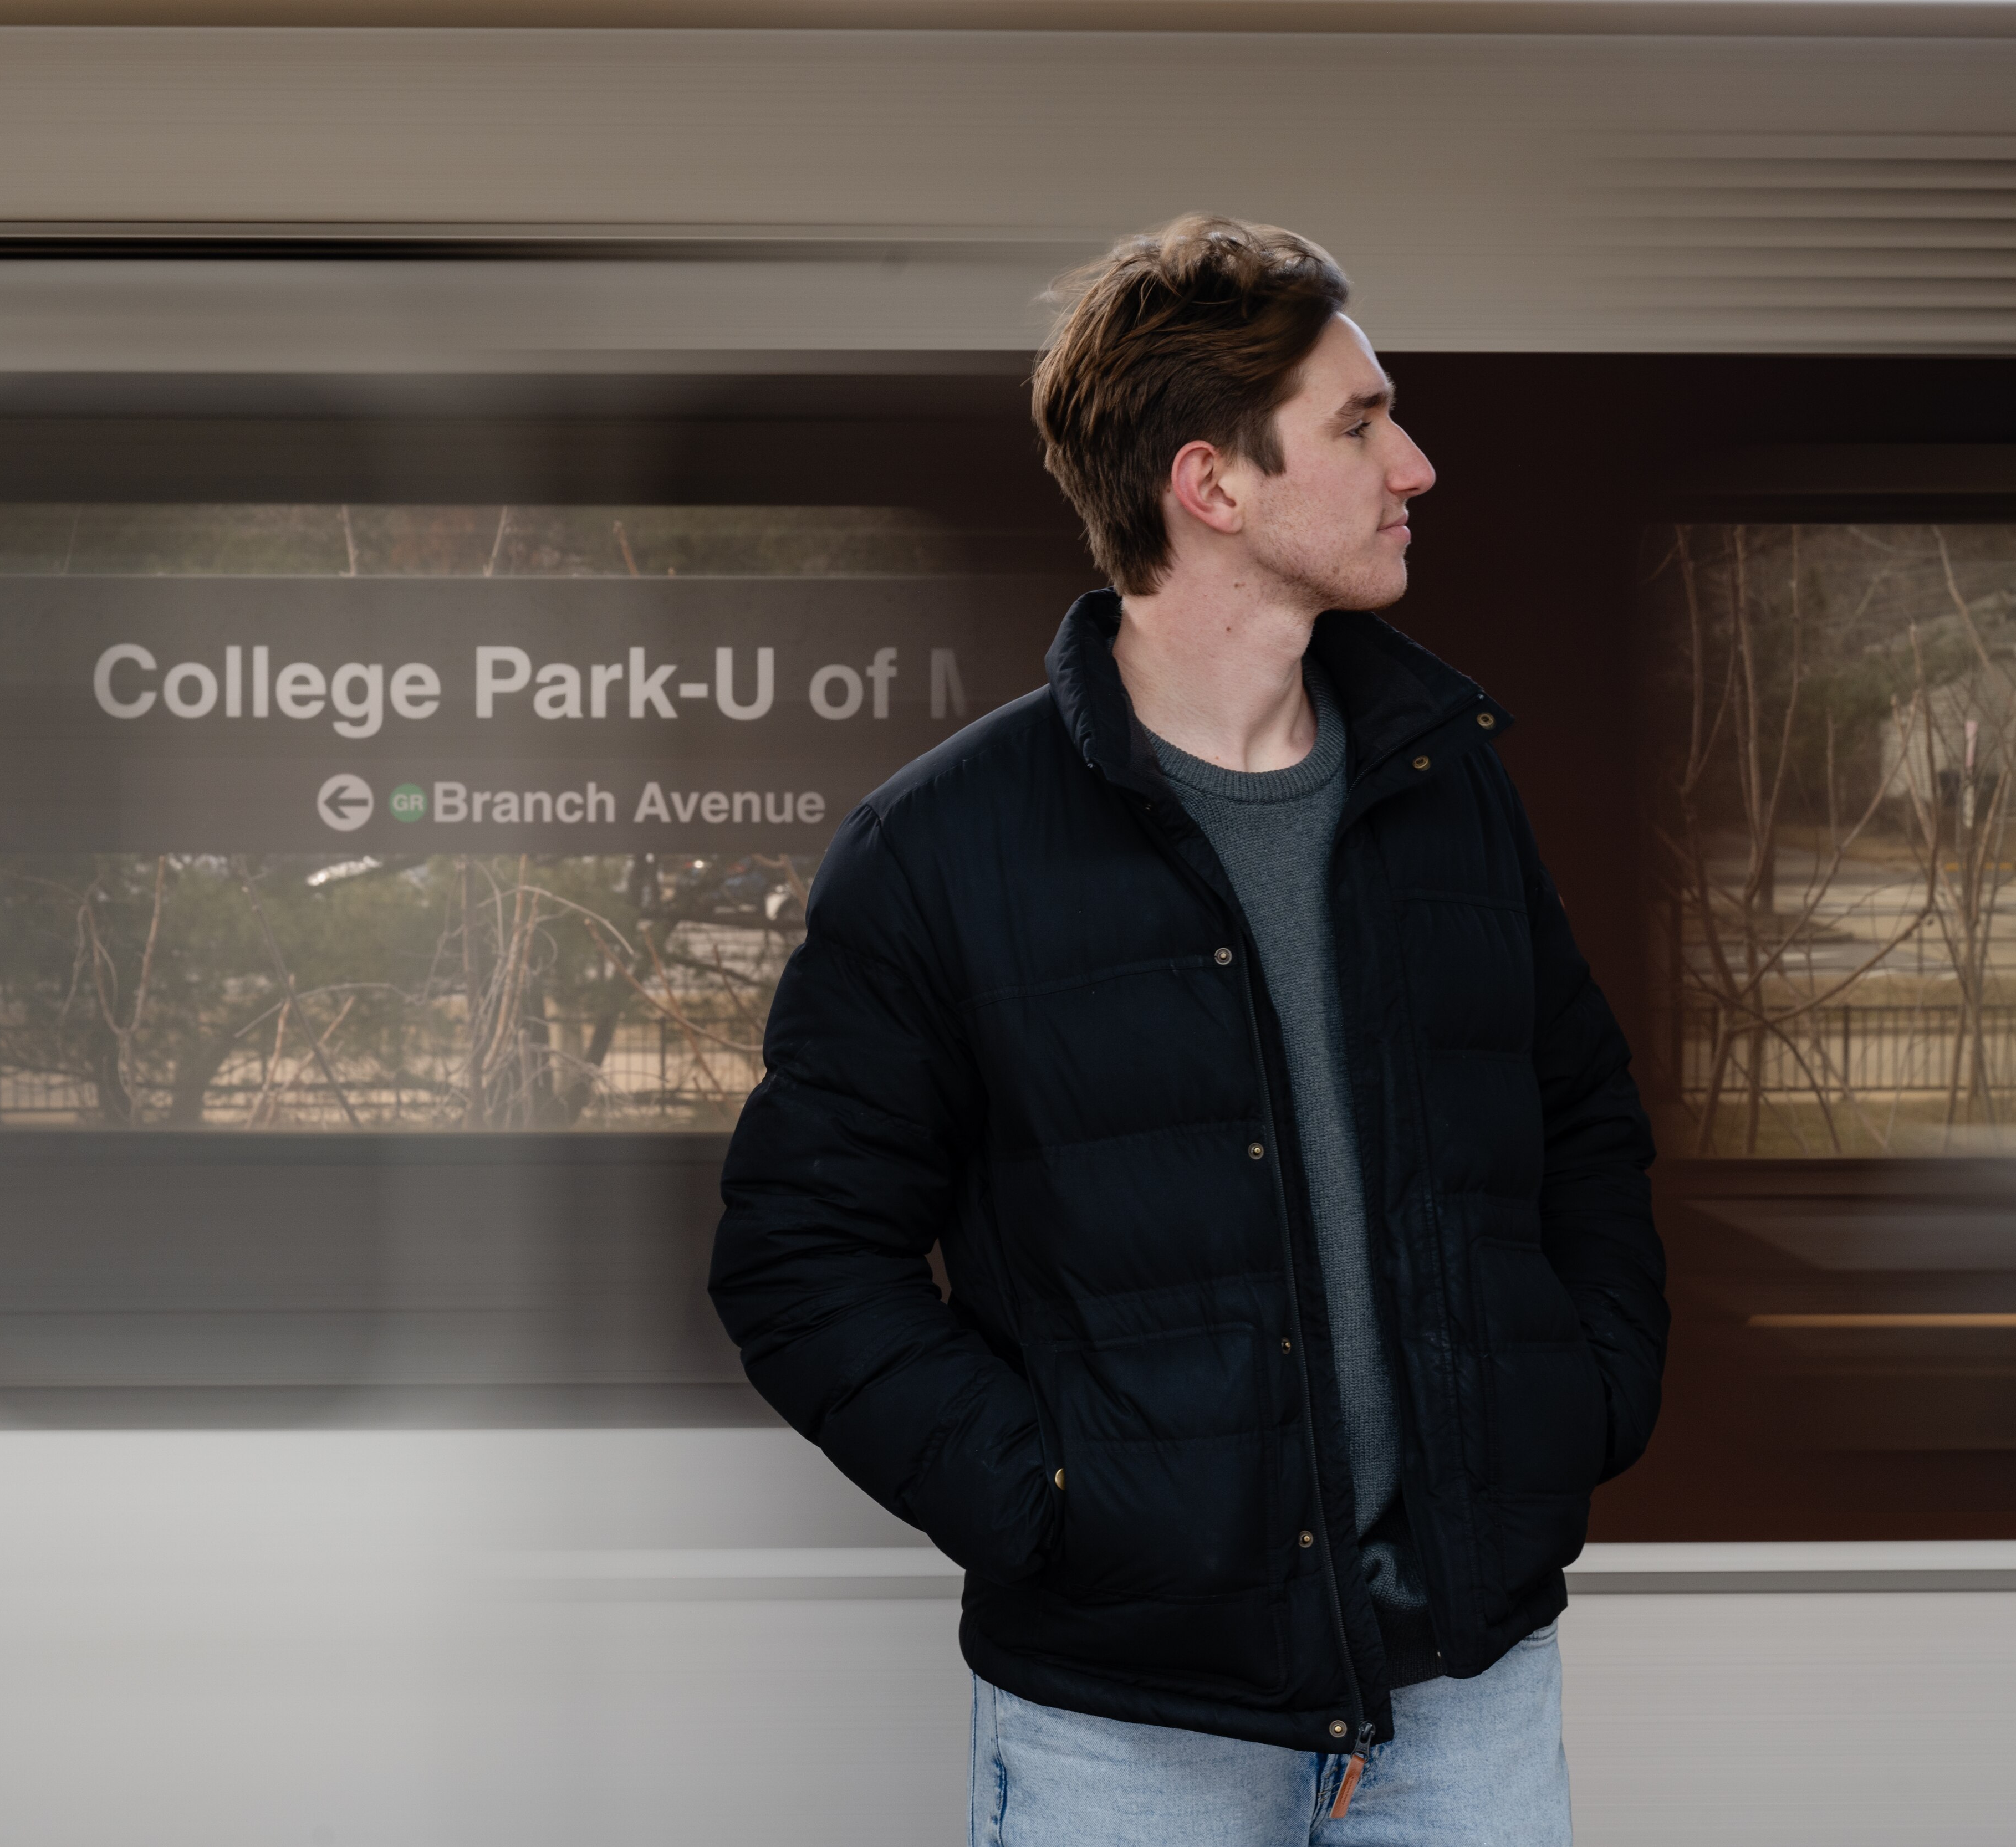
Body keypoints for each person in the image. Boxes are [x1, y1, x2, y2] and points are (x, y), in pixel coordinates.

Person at [707, 214, 1667, 1845]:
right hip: (1128, 1728)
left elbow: (1580, 1117)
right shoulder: (943, 851)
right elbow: (801, 1261)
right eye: (1362, 425)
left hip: (1466, 1691)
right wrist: (1061, 1508)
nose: (1416, 465)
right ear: (1211, 485)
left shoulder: (1446, 789)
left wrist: (1585, 1398)